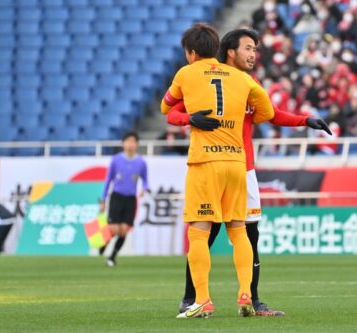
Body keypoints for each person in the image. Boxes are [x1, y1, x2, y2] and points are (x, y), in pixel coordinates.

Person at [166, 28, 331, 316]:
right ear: (230, 51)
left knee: (243, 234)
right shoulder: (206, 80)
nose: (253, 54)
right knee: (210, 232)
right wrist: (189, 119)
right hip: (227, 164)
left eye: (255, 49)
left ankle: (252, 300)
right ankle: (190, 295)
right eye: (248, 48)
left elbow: (273, 113)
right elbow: (173, 112)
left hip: (244, 168)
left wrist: (305, 120)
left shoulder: (245, 81)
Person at [160, 23, 275, 319]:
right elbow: (268, 113)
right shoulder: (241, 78)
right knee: (239, 232)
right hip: (237, 163)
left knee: (199, 233)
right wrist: (240, 120)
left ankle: (202, 300)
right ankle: (245, 295)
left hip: (205, 162)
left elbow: (165, 108)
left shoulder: (186, 73)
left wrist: (190, 119)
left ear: (191, 52)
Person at [100, 131, 148, 267]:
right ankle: (105, 242)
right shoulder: (116, 160)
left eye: (133, 141)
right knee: (114, 229)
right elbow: (108, 179)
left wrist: (144, 188)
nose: (130, 144)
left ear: (137, 144)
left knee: (124, 229)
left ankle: (112, 257)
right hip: (117, 197)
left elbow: (145, 180)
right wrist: (103, 199)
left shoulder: (141, 162)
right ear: (123, 143)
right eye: (128, 141)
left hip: (130, 199)